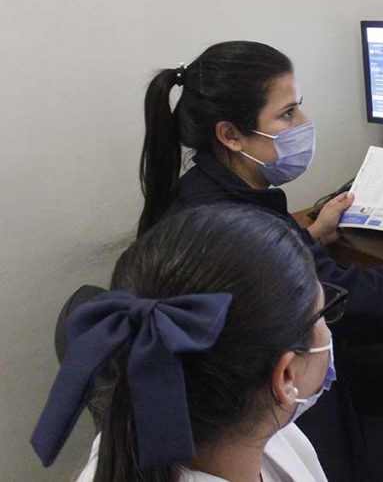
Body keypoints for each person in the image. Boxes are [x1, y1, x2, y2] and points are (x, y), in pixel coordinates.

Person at [138, 40, 383, 480]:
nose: (304, 123)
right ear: (230, 135)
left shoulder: (202, 193)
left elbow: (256, 277)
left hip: (273, 384)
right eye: (287, 114)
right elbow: (352, 303)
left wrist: (310, 235)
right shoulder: (239, 227)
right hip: (290, 410)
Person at [33, 205, 338, 481]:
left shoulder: (132, 433)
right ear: (285, 376)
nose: (326, 331)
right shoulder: (246, 424)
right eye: (322, 316)